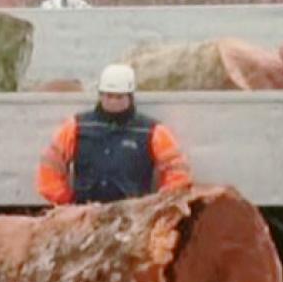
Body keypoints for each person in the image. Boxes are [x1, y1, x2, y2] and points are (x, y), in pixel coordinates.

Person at [37, 63, 191, 205]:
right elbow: (50, 165)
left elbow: (178, 171)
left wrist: (157, 206)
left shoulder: (152, 131)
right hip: (85, 213)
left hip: (132, 217)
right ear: (100, 95)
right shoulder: (76, 126)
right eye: (109, 96)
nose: (113, 102)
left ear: (130, 97)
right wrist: (66, 201)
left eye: (119, 97)